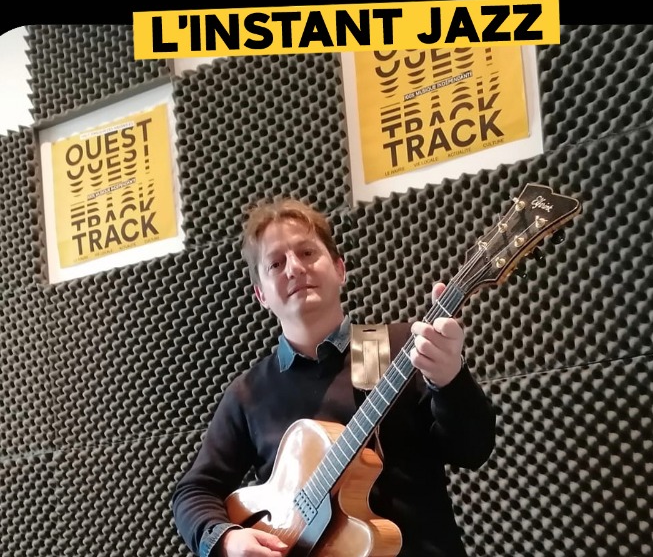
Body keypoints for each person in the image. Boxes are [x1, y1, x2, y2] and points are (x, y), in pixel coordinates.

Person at [172, 197, 496, 557]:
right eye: (276, 263)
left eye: (307, 253)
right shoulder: (249, 393)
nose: (295, 268)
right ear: (261, 295)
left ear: (340, 269)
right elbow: (192, 492)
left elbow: (473, 450)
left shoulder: (403, 346)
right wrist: (227, 539)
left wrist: (450, 381)